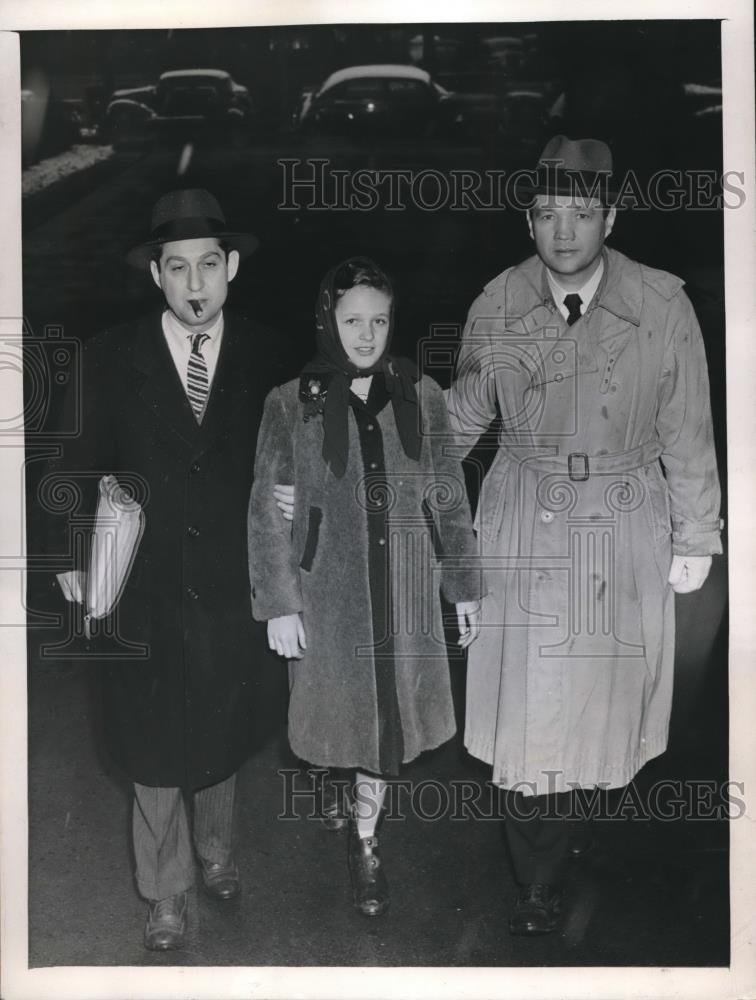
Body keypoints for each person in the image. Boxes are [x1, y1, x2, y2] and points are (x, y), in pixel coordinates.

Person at [446, 135, 723, 935]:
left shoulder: (661, 304)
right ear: (527, 221)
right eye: (546, 214)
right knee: (533, 716)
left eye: (581, 213)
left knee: (605, 712)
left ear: (612, 215)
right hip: (523, 520)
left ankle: (580, 845)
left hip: (624, 518)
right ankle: (535, 879)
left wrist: (695, 533)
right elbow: (459, 421)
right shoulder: (498, 302)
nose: (563, 231)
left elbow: (688, 428)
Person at [46, 189, 286, 951]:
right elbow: (66, 468)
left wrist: (295, 495)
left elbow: (295, 457)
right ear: (156, 275)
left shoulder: (265, 354)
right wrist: (65, 557)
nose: (193, 285)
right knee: (151, 742)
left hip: (227, 585)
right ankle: (165, 891)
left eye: (208, 266)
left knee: (220, 729)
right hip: (142, 587)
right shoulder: (110, 357)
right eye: (176, 267)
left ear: (232, 267)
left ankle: (216, 853)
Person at [248, 256, 482, 917]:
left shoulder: (421, 397)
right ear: (329, 320)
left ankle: (367, 839)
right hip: (331, 596)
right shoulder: (291, 403)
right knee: (335, 718)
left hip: (403, 596)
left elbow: (447, 497)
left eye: (379, 320)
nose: (366, 334)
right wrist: (279, 604)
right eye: (352, 320)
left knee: (386, 725)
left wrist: (463, 585)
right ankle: (334, 783)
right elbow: (266, 508)